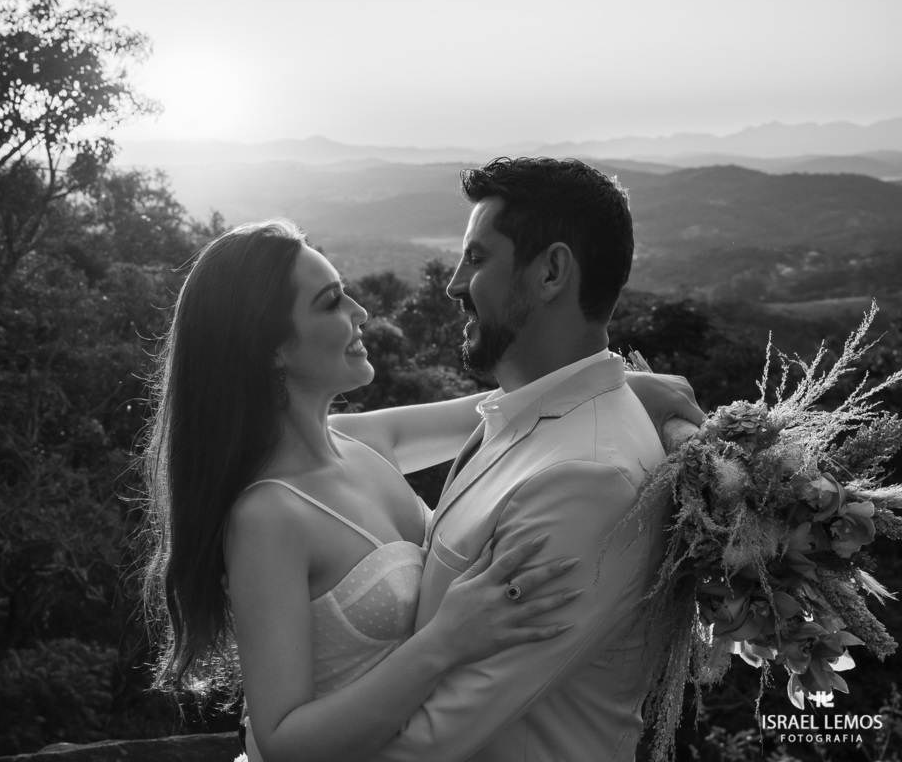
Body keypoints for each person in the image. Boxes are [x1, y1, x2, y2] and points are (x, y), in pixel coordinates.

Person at [139, 208, 701, 761]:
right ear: (272, 350)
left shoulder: (357, 442)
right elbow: (284, 739)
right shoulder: (269, 516)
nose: (360, 312)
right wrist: (444, 641)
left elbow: (497, 410)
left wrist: (618, 386)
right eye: (331, 302)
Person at [361, 156, 683, 762]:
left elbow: (431, 745)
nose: (455, 283)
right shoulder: (524, 419)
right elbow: (328, 444)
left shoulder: (586, 480)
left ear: (551, 271)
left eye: (477, 258)